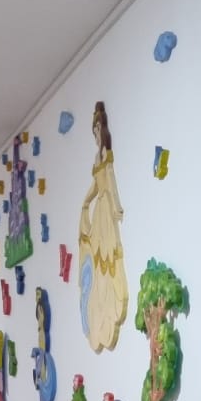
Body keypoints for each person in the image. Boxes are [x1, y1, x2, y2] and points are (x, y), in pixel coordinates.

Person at [78, 102, 128, 352]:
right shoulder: (97, 158)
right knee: (98, 262)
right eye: (94, 131)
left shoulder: (106, 155)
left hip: (106, 206)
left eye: (98, 129)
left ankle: (112, 300)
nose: (97, 135)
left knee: (108, 257)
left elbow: (109, 180)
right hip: (98, 207)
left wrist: (117, 206)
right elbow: (95, 186)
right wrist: (85, 203)